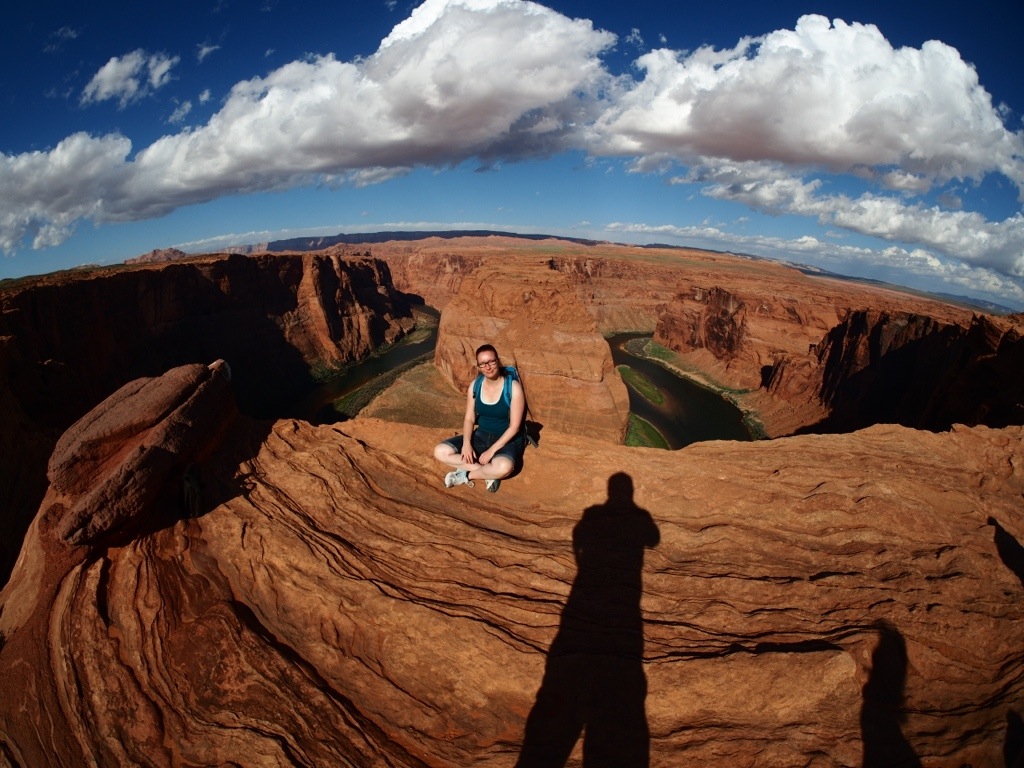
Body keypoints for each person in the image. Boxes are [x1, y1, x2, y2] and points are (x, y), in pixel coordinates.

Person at [433, 344, 525, 493]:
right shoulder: (476, 386)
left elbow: (514, 427)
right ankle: (488, 473)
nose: (487, 367)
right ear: (479, 366)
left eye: (491, 362)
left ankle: (466, 475)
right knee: (440, 451)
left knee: (504, 467)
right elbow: (469, 418)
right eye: (482, 364)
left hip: (506, 440)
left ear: (498, 361)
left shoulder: (513, 387)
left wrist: (492, 450)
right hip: (481, 435)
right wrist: (466, 444)